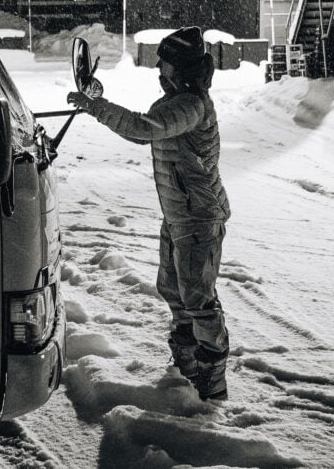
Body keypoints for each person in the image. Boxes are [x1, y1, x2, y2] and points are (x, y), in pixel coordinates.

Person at [67, 26, 231, 400]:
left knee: (198, 299)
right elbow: (145, 124)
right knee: (173, 289)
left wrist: (96, 108)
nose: (159, 68)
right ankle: (186, 364)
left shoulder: (191, 104)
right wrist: (101, 100)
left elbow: (144, 127)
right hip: (179, 214)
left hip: (198, 218)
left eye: (164, 62)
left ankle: (211, 380)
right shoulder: (178, 99)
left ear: (181, 68)